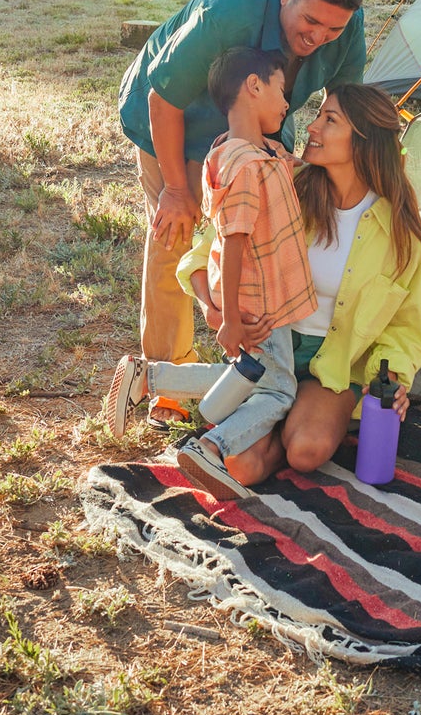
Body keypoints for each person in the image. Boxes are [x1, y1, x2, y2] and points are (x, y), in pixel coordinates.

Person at [111, 84, 421, 495]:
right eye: (318, 114)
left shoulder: (398, 231)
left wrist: (391, 377)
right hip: (270, 343)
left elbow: (404, 326)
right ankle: (264, 406)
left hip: (334, 364)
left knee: (306, 450)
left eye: (329, 120)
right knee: (241, 466)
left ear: (365, 140)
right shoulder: (283, 183)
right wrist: (215, 307)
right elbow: (207, 250)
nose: (311, 127)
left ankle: (273, 406)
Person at [117, 0, 367, 429]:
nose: (319, 37)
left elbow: (349, 101)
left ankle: (240, 370)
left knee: (262, 232)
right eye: (310, 22)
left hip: (262, 121)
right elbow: (162, 98)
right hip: (175, 119)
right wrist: (176, 189)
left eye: (332, 30)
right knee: (178, 233)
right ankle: (167, 375)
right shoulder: (228, 8)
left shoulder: (343, 22)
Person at [105, 47, 318, 500]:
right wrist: (235, 318)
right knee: (278, 391)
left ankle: (150, 378)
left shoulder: (236, 153)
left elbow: (275, 170)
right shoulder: (246, 167)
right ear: (253, 86)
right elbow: (235, 239)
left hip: (251, 295)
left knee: (248, 374)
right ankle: (210, 449)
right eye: (281, 90)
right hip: (261, 300)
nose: (287, 103)